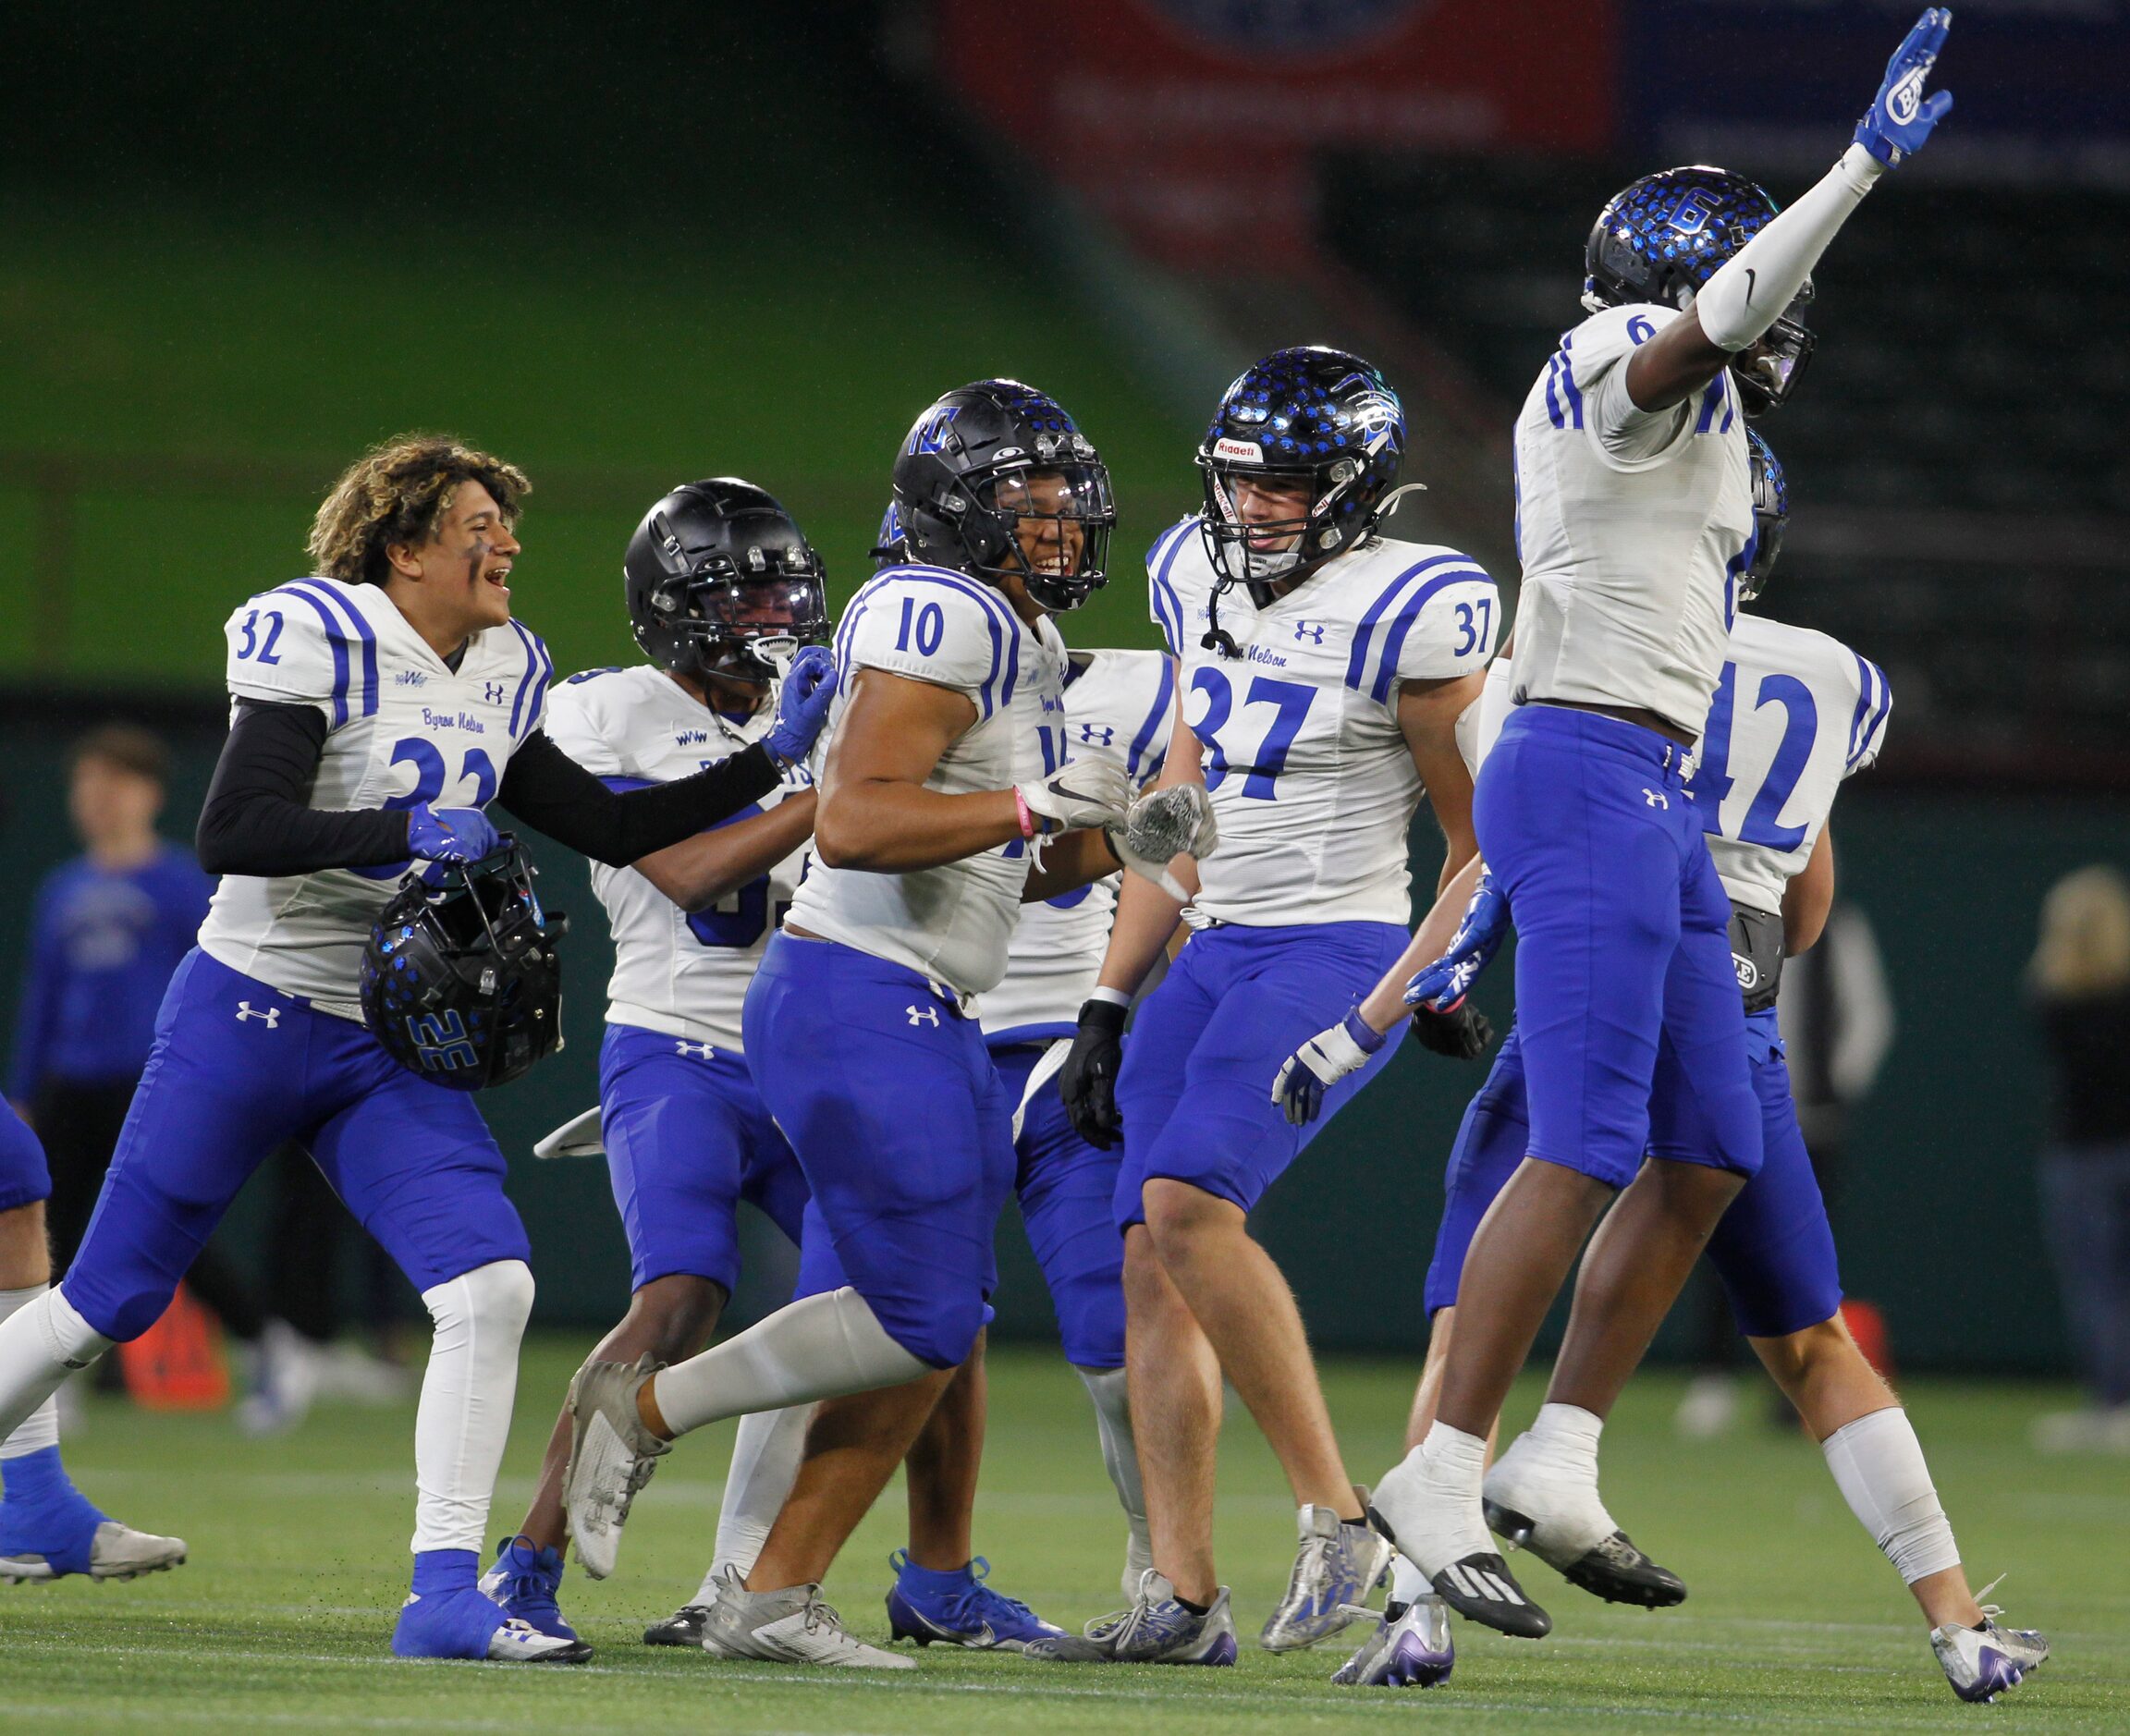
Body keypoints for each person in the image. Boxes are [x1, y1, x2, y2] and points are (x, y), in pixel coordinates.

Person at [0, 435, 837, 1663]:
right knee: (105, 1302)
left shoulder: (505, 663)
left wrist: (768, 761)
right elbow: (236, 824)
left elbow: (603, 820)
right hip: (252, 1005)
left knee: (492, 1287)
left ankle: (446, 1591)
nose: (505, 544)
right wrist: (402, 825)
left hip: (380, 1034)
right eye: (478, 526)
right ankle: (24, 1493)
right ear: (405, 547)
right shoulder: (318, 633)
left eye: (506, 525)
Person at [1340, 11, 1964, 1644]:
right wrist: (1853, 171)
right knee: (1587, 1136)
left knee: (1713, 1141)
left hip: (1650, 786)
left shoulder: (1710, 446)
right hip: (1575, 763)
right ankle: (1441, 1459)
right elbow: (1697, 330)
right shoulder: (1609, 366)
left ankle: (1555, 1449)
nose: (1785, 333)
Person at [1293, 433, 2049, 1703]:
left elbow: (1497, 856)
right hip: (1733, 1014)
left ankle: (1420, 1609)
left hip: (1587, 997)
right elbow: (1806, 910)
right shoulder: (1836, 676)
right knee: (1811, 1332)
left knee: (1470, 1308)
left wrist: (1384, 1008)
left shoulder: (1569, 651)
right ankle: (1959, 1622)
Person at [558, 382, 1209, 1667]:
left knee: (937, 1320)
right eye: (1026, 502)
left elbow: (993, 869)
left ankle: (771, 1590)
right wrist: (1031, 805)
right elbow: (856, 820)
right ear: (960, 512)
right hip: (859, 993)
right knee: (917, 1318)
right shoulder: (942, 608)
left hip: (923, 996)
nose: (1060, 525)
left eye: (1063, 499)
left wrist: (1112, 838)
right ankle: (642, 1407)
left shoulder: (1002, 626)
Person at [1030, 347, 1495, 1667]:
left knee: (1187, 1201)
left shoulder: (1418, 602)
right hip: (1213, 939)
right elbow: (1179, 796)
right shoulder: (1191, 566)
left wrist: (1411, 991)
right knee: (1142, 1254)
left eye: (1286, 484)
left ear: (1353, 487)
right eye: (1239, 478)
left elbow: (1479, 845)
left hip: (1332, 944)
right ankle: (1182, 1597)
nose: (1255, 506)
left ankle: (1340, 1513)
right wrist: (1113, 992)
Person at [650, 638, 1180, 1655]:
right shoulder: (903, 670)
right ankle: (734, 1573)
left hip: (1056, 1033)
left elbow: (1157, 860)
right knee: (864, 1314)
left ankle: (1162, 1585)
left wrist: (1123, 1005)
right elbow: (859, 836)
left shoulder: (1146, 685)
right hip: (914, 1018)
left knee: (1095, 1333)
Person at [476, 477, 835, 1644]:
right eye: (750, 589)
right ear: (678, 604)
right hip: (678, 1042)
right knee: (681, 1295)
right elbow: (680, 867)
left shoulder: (830, 700)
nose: (779, 611)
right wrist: (831, 789)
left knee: (887, 1305)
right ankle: (525, 1564)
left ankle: (751, 1585)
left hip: (811, 1055)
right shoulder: (608, 708)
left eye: (789, 583)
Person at [2027, 864, 2130, 1456]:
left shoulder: (2054, 996)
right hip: (2092, 1155)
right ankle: (2114, 1405)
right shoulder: (2059, 998)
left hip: (2083, 1159)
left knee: (2098, 1286)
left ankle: (2113, 1403)